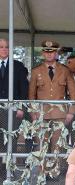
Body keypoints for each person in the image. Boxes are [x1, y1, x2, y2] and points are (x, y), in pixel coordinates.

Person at [29, 40, 75, 152]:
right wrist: (33, 113)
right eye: (47, 52)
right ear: (43, 53)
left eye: (52, 52)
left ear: (56, 53)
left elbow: (73, 92)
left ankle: (57, 170)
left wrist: (71, 112)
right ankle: (43, 170)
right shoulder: (36, 71)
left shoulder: (65, 70)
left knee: (58, 146)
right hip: (41, 114)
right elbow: (31, 95)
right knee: (42, 147)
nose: (49, 54)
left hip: (59, 114)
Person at [0, 38, 28, 169]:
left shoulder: (18, 66)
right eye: (1, 47)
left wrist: (21, 107)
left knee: (11, 139)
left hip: (13, 109)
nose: (4, 49)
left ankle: (10, 170)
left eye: (6, 47)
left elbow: (24, 88)